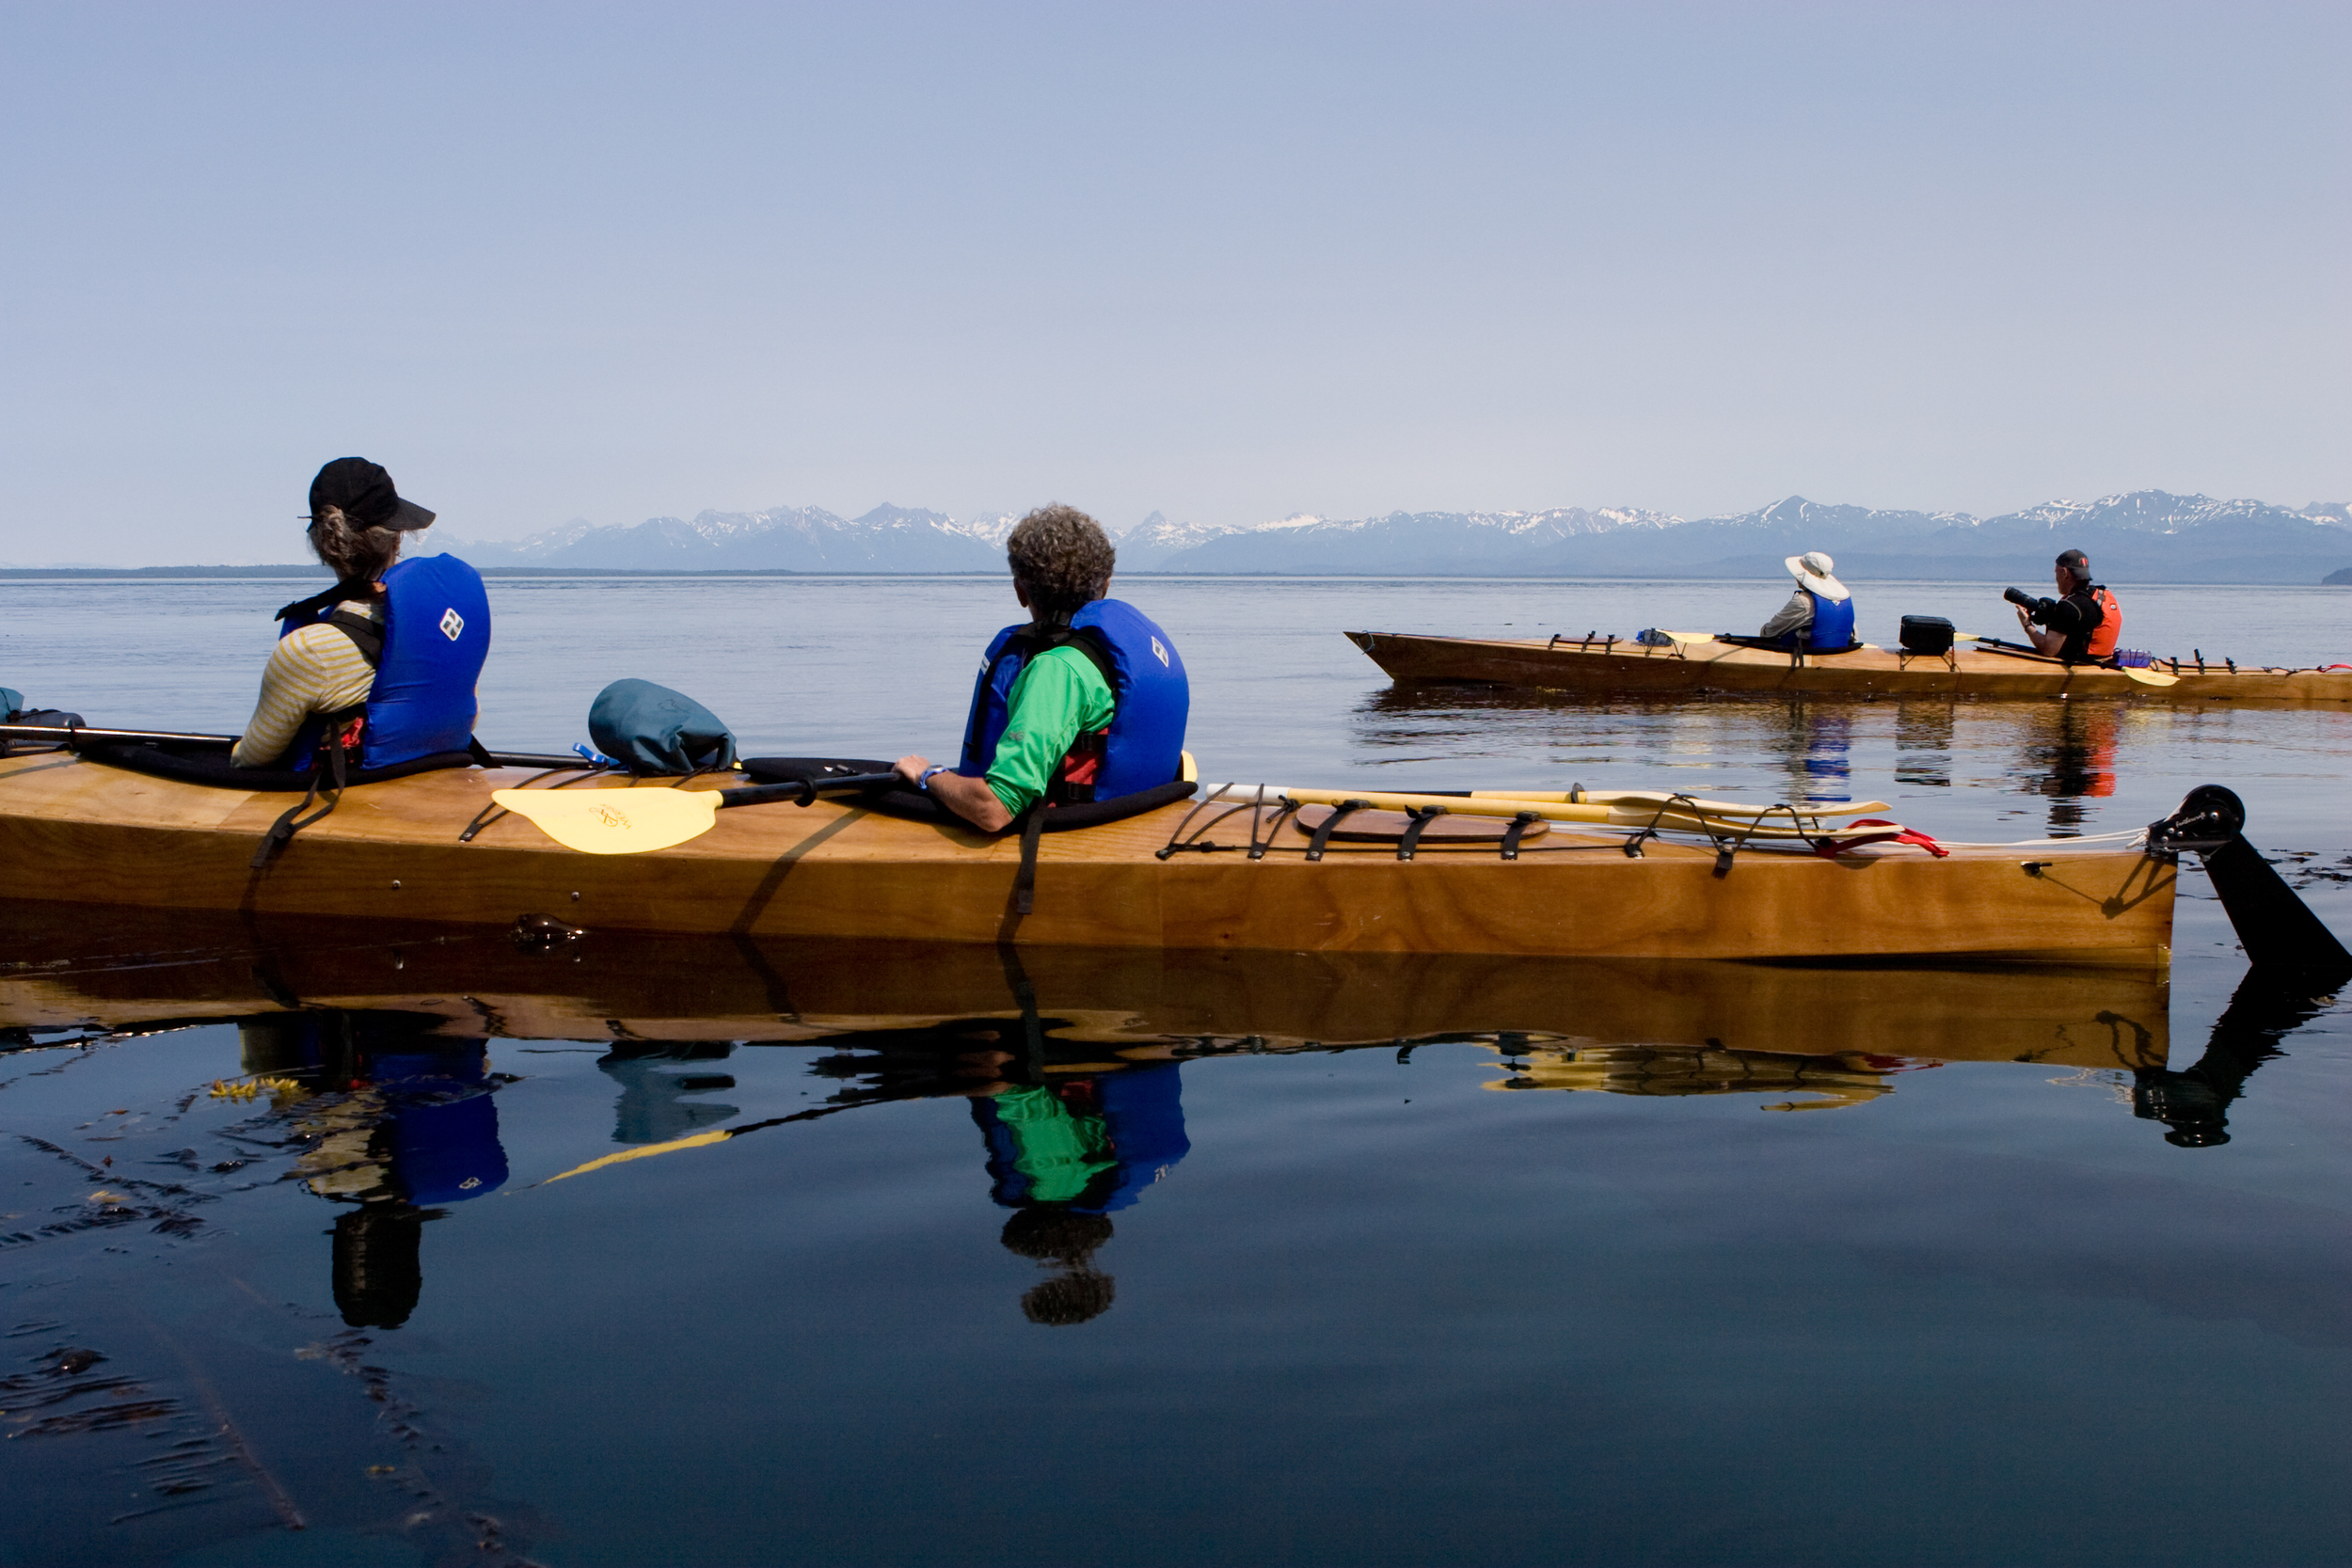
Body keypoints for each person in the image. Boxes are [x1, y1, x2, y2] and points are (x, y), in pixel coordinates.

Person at [894, 503, 1188, 831]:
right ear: (1105, 586)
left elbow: (994, 809)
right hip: (1141, 829)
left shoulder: (1057, 671)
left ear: (1020, 591)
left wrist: (928, 775)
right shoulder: (1135, 649)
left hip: (1076, 845)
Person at [233, 458, 491, 770]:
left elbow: (252, 758)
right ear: (396, 537)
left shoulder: (307, 651)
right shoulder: (448, 625)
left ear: (322, 544)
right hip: (432, 779)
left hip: (355, 799)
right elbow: (469, 720)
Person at [2011, 548, 2122, 664]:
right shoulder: (2101, 595)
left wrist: (2027, 625)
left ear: (2064, 573)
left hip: (2081, 665)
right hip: (2102, 662)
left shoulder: (2069, 606)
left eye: (2056, 572)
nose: (2056, 578)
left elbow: (2049, 650)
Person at [1757, 550, 1856, 651]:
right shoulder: (1844, 600)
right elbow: (1855, 636)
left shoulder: (1803, 601)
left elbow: (1769, 633)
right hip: (1840, 650)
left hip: (1812, 653)